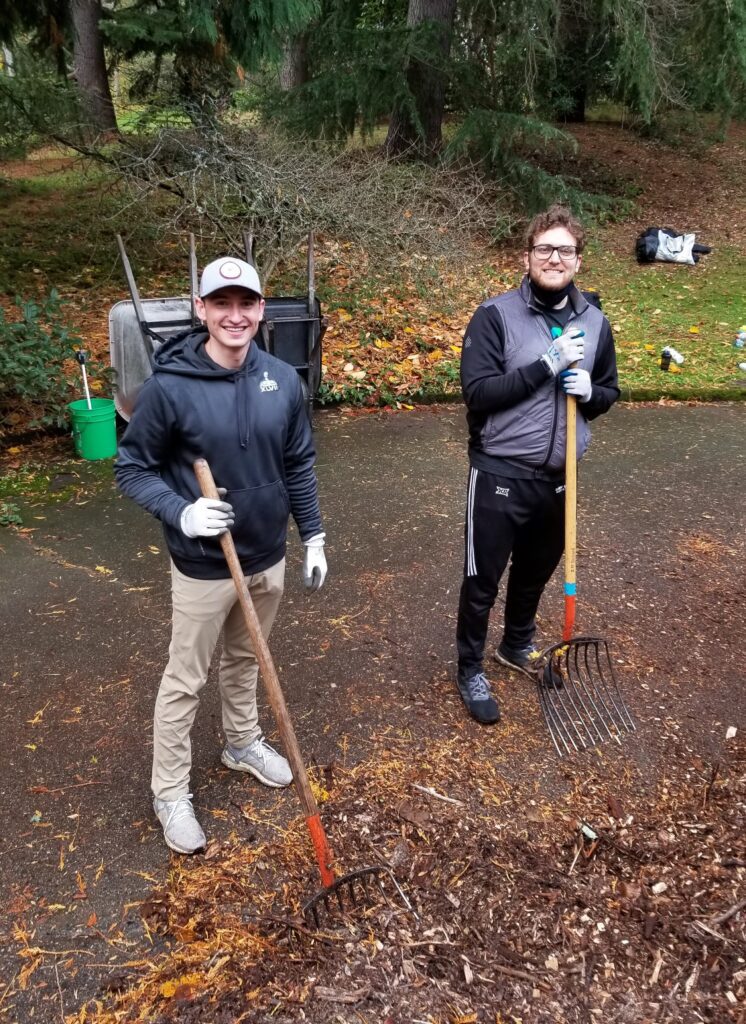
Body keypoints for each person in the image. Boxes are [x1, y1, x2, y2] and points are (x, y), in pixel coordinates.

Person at [115, 256, 327, 853]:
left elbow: (298, 464)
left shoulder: (283, 381)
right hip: (203, 564)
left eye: (246, 303)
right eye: (221, 303)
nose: (235, 315)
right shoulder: (169, 388)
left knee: (245, 657)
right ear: (201, 310)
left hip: (267, 553)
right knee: (185, 678)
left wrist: (312, 535)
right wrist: (181, 510)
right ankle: (170, 792)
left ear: (261, 310)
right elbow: (131, 469)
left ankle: (241, 743)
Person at [455, 204, 619, 725]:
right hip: (500, 472)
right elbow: (477, 393)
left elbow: (610, 389)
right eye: (544, 248)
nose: (554, 258)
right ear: (527, 257)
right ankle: (470, 667)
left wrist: (592, 391)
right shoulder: (496, 316)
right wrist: (546, 365)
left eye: (565, 250)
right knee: (483, 578)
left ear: (578, 260)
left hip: (561, 476)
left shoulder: (595, 322)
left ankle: (517, 645)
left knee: (535, 573)